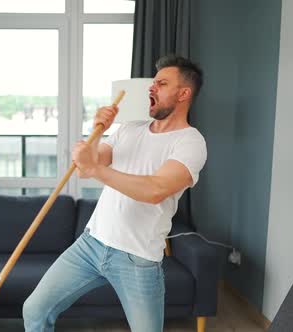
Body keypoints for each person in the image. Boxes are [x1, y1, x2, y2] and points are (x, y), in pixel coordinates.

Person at [22, 55, 207, 332]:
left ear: (183, 93)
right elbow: (88, 163)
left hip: (137, 257)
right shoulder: (129, 129)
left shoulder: (190, 142)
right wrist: (96, 133)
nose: (151, 88)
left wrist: (94, 168)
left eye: (162, 83)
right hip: (91, 244)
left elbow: (155, 189)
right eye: (153, 83)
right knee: (34, 309)